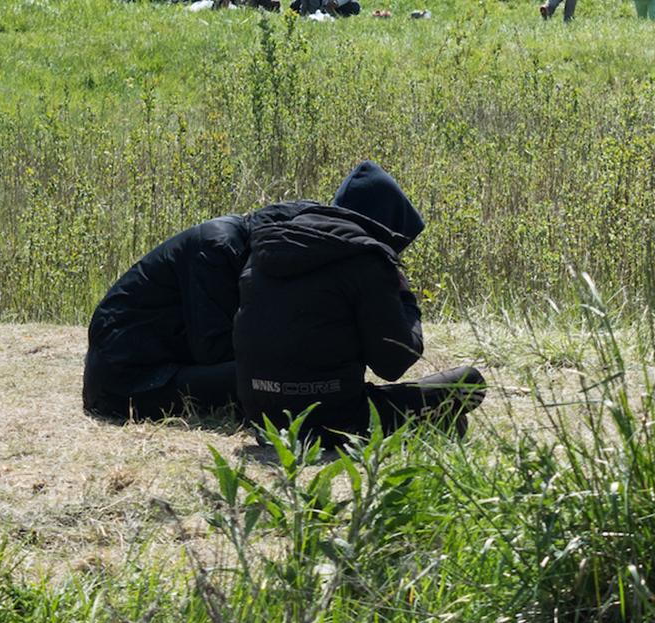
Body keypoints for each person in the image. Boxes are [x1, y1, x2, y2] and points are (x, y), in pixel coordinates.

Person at [234, 162, 485, 449]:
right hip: (337, 422)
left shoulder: (263, 254)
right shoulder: (365, 261)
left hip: (264, 421)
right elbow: (394, 362)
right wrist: (405, 298)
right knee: (469, 383)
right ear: (387, 227)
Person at [84, 207, 261, 422]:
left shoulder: (226, 239)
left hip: (138, 372)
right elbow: (213, 349)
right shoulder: (217, 245)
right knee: (266, 377)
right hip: (132, 385)